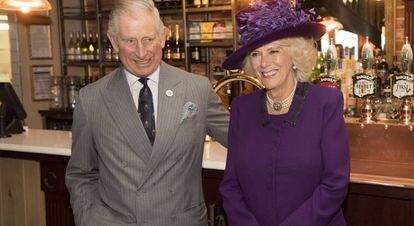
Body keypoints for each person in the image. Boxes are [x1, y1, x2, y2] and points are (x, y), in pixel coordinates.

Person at [65, 0, 229, 225]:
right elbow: (81, 174)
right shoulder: (91, 98)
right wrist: (89, 219)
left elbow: (243, 139)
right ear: (113, 41)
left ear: (163, 36)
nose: (141, 52)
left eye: (148, 39)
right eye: (130, 41)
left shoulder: (197, 88)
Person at [219, 0, 350, 225]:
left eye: (274, 51)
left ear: (294, 56)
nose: (264, 63)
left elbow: (334, 184)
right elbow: (231, 185)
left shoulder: (326, 103)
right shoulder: (242, 108)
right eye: (256, 54)